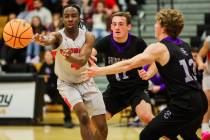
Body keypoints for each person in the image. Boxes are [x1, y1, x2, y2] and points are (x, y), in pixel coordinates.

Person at [87, 9, 208, 139]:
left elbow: (129, 64)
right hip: (200, 100)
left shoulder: (157, 47)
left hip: (183, 103)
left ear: (163, 27)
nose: (154, 25)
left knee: (146, 135)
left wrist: (98, 71)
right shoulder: (184, 45)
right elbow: (162, 60)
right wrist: (150, 73)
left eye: (157, 23)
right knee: (187, 134)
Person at [34, 4, 107, 140]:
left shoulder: (88, 36)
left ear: (79, 18)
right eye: (66, 16)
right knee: (84, 116)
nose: (70, 19)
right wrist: (43, 40)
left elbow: (82, 60)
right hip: (67, 84)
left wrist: (69, 56)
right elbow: (50, 39)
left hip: (86, 81)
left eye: (73, 16)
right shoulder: (58, 36)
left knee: (102, 126)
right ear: (62, 19)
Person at [91, 11, 154, 124]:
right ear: (110, 26)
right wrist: (88, 57)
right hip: (115, 90)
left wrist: (148, 73)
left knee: (146, 116)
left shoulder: (138, 43)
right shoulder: (106, 41)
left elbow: (153, 61)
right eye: (114, 24)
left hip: (136, 89)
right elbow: (91, 52)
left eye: (120, 24)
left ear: (129, 26)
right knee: (96, 121)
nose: (117, 27)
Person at [39, 50, 74, 128]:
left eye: (49, 55)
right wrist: (42, 79)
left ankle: (68, 119)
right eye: (46, 55)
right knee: (38, 94)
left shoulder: (57, 65)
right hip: (46, 90)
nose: (47, 57)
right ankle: (37, 117)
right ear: (44, 57)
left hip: (56, 89)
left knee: (65, 98)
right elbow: (38, 78)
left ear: (52, 56)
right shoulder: (43, 66)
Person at [196, 36, 210, 139]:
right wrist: (201, 63)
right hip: (209, 74)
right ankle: (205, 127)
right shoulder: (209, 40)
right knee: (208, 99)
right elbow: (199, 56)